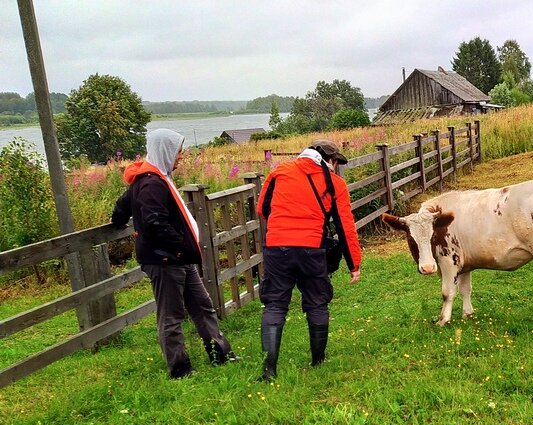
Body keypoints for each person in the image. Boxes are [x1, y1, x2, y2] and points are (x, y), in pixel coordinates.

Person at [111, 128, 238, 378]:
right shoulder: (151, 183)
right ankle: (180, 369)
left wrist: (117, 220)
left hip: (179, 259)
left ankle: (220, 353)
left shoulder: (153, 177)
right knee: (171, 316)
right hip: (166, 259)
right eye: (178, 151)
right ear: (166, 151)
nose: (181, 156)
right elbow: (154, 222)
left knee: (202, 306)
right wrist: (180, 245)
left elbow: (122, 206)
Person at [256, 139, 362, 381]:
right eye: (336, 162)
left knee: (274, 305)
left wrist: (283, 227)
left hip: (277, 246)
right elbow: (345, 226)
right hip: (312, 247)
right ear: (330, 160)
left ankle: (269, 370)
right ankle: (318, 360)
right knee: (317, 302)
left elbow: (263, 208)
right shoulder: (335, 184)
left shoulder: (279, 172)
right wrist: (353, 263)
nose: (336, 168)